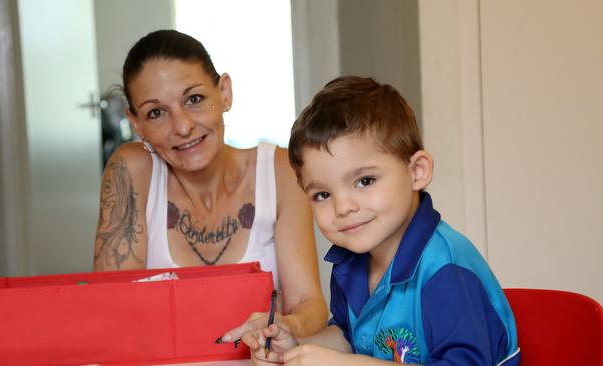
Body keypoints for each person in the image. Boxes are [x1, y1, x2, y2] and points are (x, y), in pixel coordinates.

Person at [242, 76, 520, 365]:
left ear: (417, 172)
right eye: (323, 194)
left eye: (365, 180)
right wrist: (297, 346)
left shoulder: (446, 270)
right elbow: (352, 339)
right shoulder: (351, 260)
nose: (344, 207)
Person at [92, 29, 328, 340]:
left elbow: (306, 304)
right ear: (137, 125)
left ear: (225, 93)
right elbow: (109, 310)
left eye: (194, 99)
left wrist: (287, 325)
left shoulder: (280, 171)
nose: (183, 126)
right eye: (156, 112)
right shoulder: (131, 170)